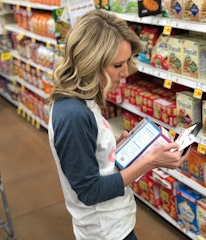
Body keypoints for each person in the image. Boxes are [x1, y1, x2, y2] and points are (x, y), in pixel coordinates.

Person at [48, 9, 189, 240]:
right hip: (105, 232)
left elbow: (88, 158)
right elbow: (89, 191)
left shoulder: (83, 98)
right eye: (117, 65)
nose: (125, 72)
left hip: (114, 224)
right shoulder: (72, 114)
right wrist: (149, 162)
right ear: (90, 62)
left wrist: (114, 148)